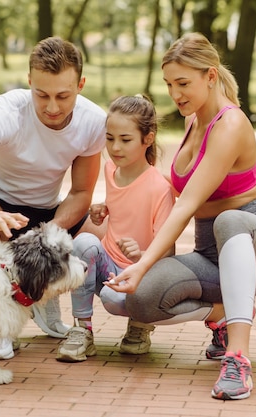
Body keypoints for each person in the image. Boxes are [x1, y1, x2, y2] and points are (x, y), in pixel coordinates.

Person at [104, 32, 256, 400]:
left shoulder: (231, 124)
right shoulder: (193, 122)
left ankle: (238, 359)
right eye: (169, 84)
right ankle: (224, 312)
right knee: (139, 301)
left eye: (183, 83)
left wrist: (143, 262)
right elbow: (170, 193)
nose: (175, 94)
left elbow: (187, 203)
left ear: (210, 76)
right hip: (211, 255)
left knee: (228, 219)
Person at [0, 36, 107, 360]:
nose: (52, 107)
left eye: (63, 95)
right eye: (41, 94)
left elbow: (82, 191)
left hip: (49, 210)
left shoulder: (93, 121)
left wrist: (50, 234)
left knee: (105, 238)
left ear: (81, 84)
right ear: (29, 81)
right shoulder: (7, 110)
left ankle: (41, 294)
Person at [56, 95, 174, 363]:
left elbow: (167, 252)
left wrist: (141, 253)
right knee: (83, 242)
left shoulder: (160, 188)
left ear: (148, 139)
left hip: (140, 274)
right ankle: (82, 330)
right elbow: (125, 202)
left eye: (125, 139)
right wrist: (104, 207)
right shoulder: (111, 169)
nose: (115, 147)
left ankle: (140, 326)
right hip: (108, 266)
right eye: (109, 139)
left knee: (113, 298)